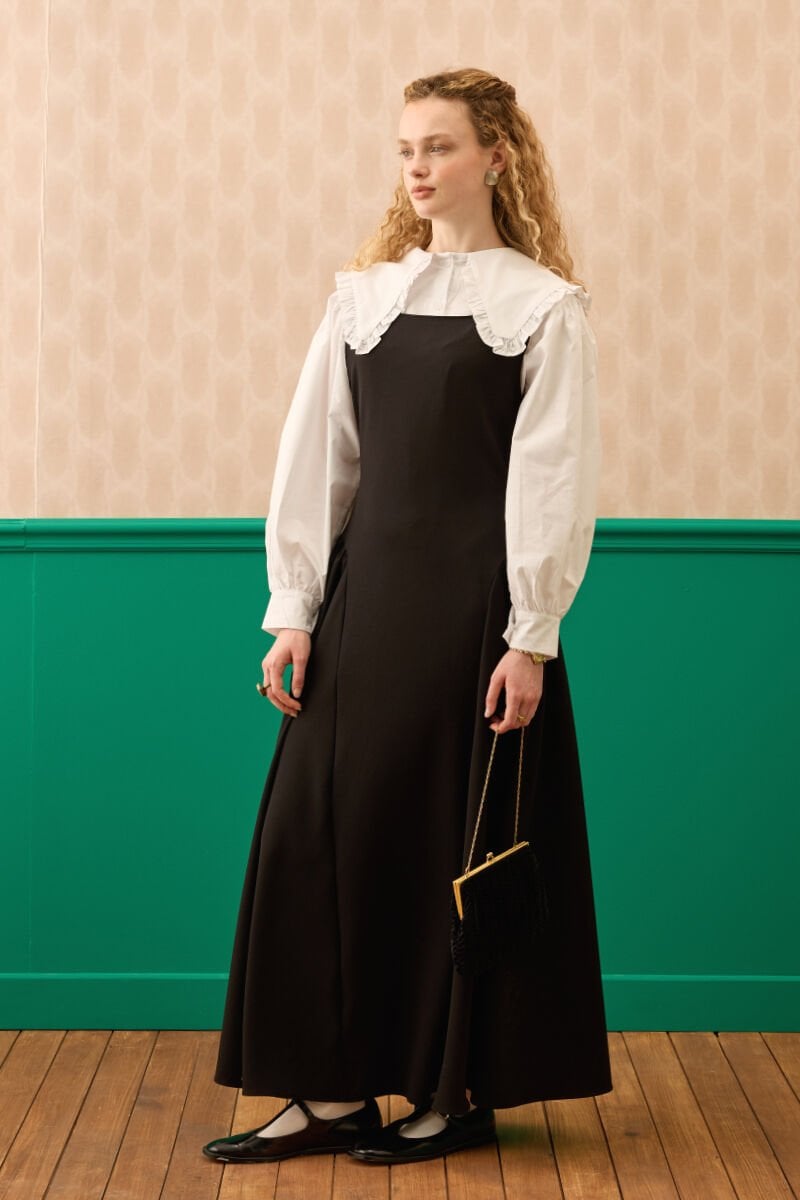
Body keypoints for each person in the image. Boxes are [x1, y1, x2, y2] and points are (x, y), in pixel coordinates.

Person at [204, 66, 612, 1168]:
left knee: (449, 843)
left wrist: (531, 636)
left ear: (495, 156)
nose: (416, 168)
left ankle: (450, 1091)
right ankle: (330, 1095)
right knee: (317, 836)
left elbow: (552, 482)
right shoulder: (363, 300)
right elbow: (319, 461)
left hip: (475, 617)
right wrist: (293, 611)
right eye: (405, 150)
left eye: (438, 146)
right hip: (363, 603)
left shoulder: (542, 308)